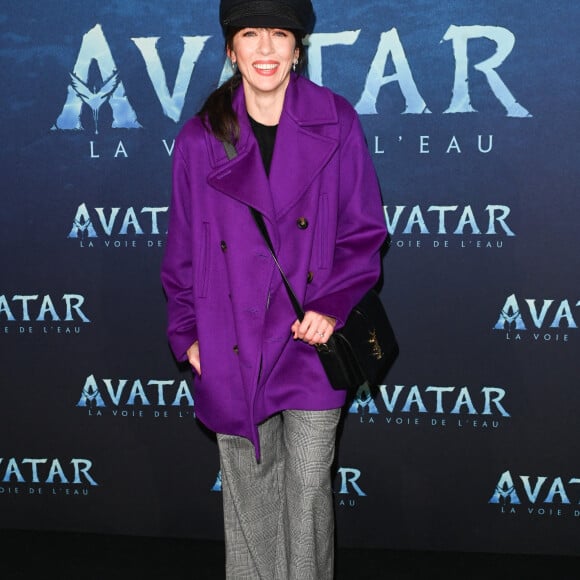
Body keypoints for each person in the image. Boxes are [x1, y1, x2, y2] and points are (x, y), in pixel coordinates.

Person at [161, 1, 388, 577]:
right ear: (231, 48)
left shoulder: (337, 121)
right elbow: (182, 249)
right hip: (232, 340)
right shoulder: (199, 139)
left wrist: (332, 308)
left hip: (309, 339)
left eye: (279, 34)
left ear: (297, 47)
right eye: (251, 35)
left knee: (309, 489)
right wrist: (188, 333)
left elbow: (364, 233)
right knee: (250, 500)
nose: (266, 49)